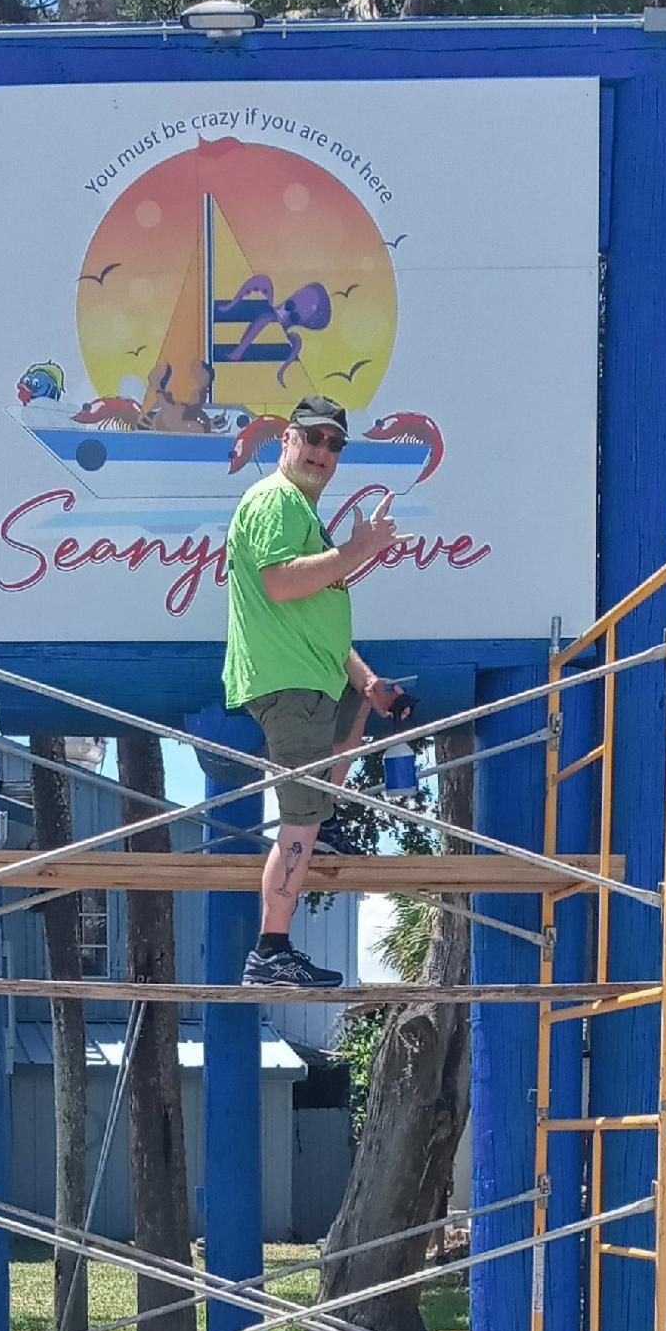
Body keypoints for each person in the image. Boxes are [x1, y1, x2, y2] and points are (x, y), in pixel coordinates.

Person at [223, 395, 412, 987]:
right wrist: (357, 552)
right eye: (313, 438)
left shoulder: (300, 510)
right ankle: (270, 950)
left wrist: (367, 682)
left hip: (313, 681)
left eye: (335, 444)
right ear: (287, 441)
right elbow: (280, 584)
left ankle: (313, 827)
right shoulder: (276, 500)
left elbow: (316, 612)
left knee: (313, 803)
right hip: (290, 685)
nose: (323, 452)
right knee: (299, 821)